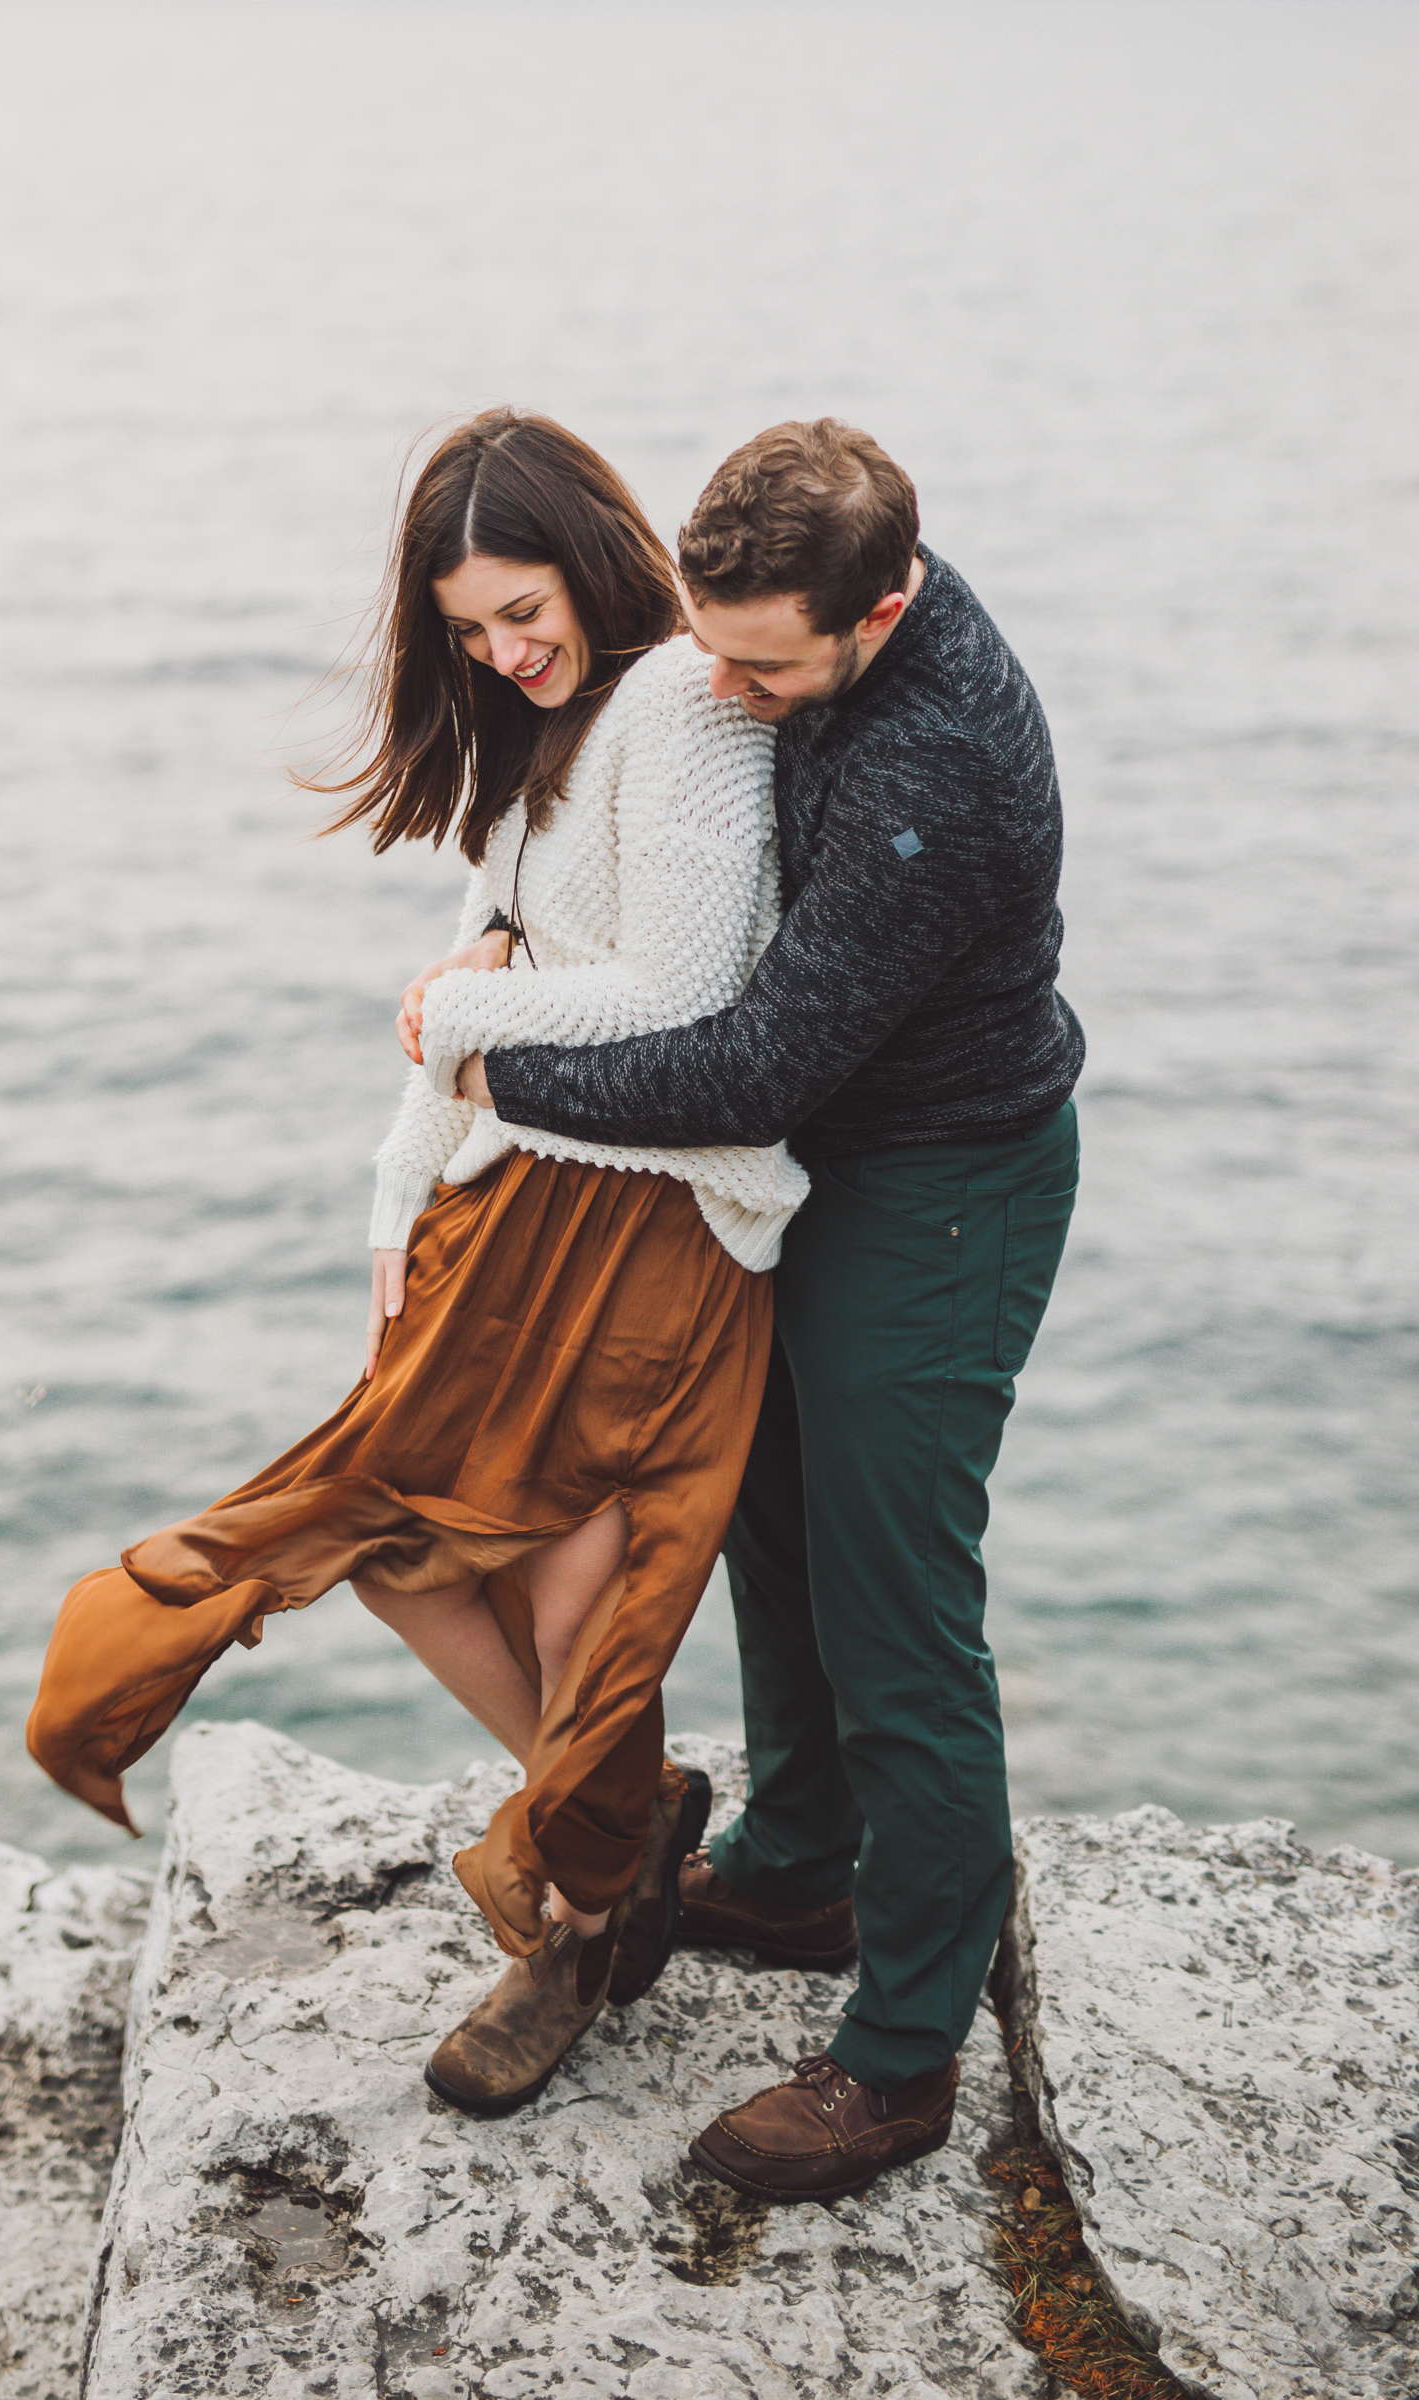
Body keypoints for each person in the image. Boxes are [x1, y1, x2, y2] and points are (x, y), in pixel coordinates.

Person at [25, 407, 809, 2116]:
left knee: (560, 1588)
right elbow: (470, 986)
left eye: (523, 611)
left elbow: (681, 997)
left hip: (658, 1223)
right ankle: (617, 1838)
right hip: (506, 1212)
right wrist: (394, 1203)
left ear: (599, 564)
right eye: (468, 631)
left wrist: (465, 1015)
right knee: (395, 1547)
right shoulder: (531, 752)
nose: (505, 651)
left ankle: (580, 1922)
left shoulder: (683, 708)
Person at [421, 418, 1084, 2198]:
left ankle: (904, 2056)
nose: (718, 685)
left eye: (760, 664)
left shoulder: (933, 761)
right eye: (707, 642)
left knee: (899, 1619)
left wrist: (506, 1082)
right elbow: (602, 826)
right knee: (769, 1529)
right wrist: (501, 927)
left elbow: (762, 1057)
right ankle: (799, 1870)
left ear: (880, 611)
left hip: (941, 1192)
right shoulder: (787, 623)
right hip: (828, 1169)